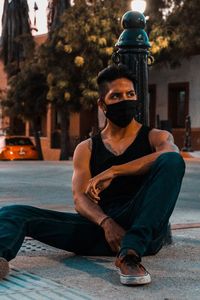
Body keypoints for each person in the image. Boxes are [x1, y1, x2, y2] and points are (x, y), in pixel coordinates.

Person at [0, 64, 185, 286]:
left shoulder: (155, 137)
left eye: (130, 94)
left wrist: (115, 170)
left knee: (172, 161)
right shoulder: (86, 148)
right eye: (116, 96)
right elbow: (80, 199)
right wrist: (106, 223)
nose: (125, 100)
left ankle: (130, 255)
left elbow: (171, 155)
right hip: (100, 230)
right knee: (13, 213)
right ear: (102, 104)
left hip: (143, 230)